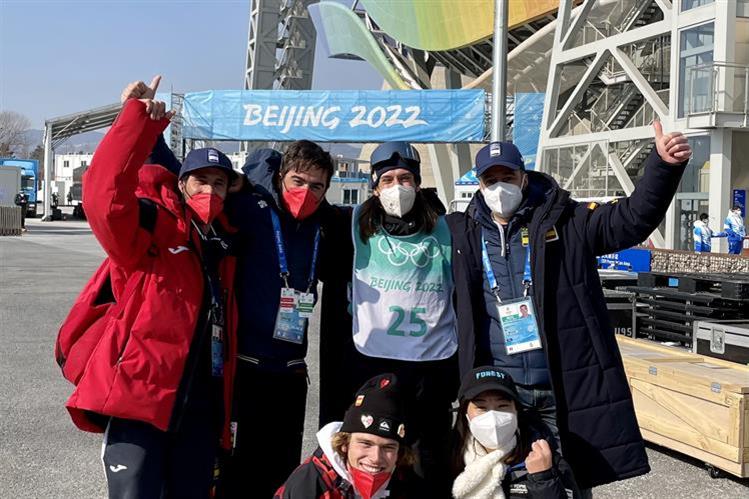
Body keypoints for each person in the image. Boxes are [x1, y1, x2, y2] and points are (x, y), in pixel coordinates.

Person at [446, 121, 692, 491]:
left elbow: (630, 219)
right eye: (490, 178)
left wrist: (662, 166)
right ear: (480, 184)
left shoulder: (568, 220)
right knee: (497, 486)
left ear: (523, 177)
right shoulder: (461, 233)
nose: (500, 186)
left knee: (564, 483)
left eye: (507, 176)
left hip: (559, 386)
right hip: (499, 393)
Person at [59, 78, 239, 498]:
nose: (209, 191)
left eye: (219, 183)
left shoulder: (225, 250)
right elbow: (104, 197)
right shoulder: (152, 230)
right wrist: (134, 121)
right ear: (182, 185)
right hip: (139, 404)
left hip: (198, 410)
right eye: (200, 181)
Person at [325, 141, 458, 497]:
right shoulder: (353, 222)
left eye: (404, 178)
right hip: (373, 358)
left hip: (431, 362)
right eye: (387, 180)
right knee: (374, 455)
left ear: (417, 182)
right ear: (374, 185)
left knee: (428, 462)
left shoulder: (448, 227)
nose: (397, 187)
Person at [219, 143, 339, 498]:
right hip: (246, 368)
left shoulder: (325, 223)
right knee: (235, 472)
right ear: (280, 177)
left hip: (291, 373)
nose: (305, 192)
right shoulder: (251, 208)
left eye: (317, 186)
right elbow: (192, 179)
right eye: (297, 181)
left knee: (280, 473)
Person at [275, 373, 422, 499]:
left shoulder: (406, 482)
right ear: (344, 444)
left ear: (399, 453)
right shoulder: (310, 485)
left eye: (388, 447)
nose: (376, 458)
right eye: (366, 444)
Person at [451, 366, 579, 499]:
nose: (493, 417)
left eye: (502, 406)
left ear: (516, 411)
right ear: (465, 414)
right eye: (481, 408)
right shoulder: (451, 460)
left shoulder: (546, 459)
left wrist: (544, 478)